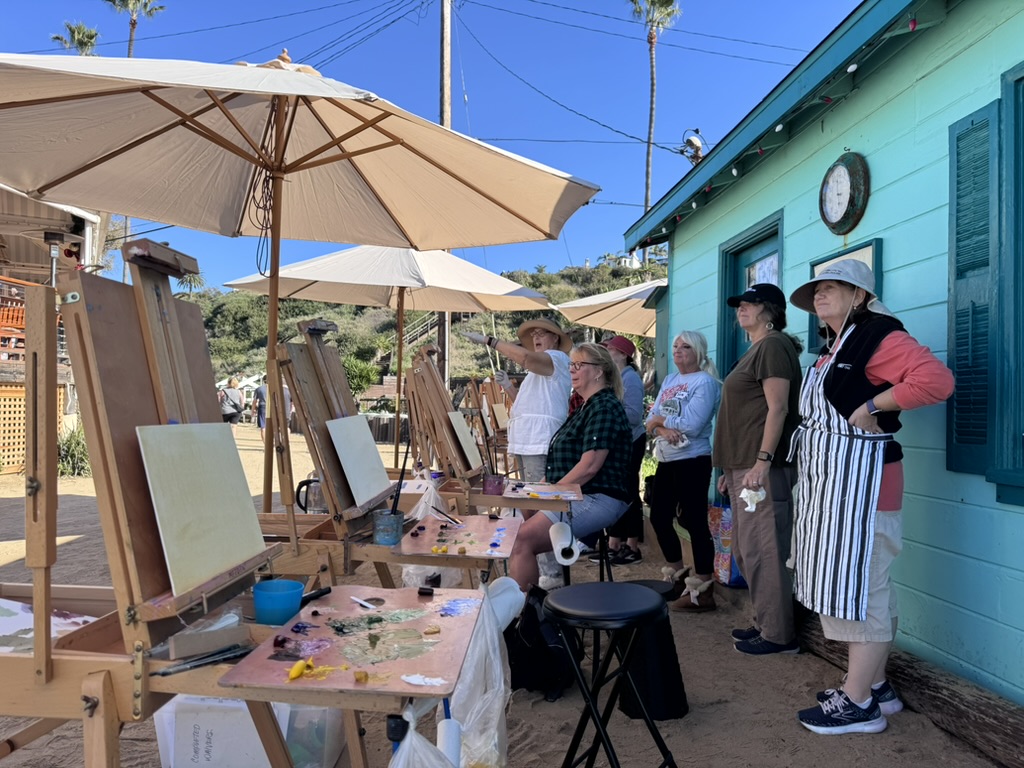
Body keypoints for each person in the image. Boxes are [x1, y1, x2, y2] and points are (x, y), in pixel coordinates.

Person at [787, 260, 953, 735]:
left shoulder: (879, 336)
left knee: (864, 585)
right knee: (863, 581)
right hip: (832, 483)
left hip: (863, 485)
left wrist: (873, 405)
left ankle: (859, 704)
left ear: (859, 296)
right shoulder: (833, 347)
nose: (819, 294)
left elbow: (936, 381)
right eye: (816, 289)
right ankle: (875, 684)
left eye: (832, 288)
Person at [713, 283, 803, 654]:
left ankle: (779, 635)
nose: (742, 309)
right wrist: (729, 469)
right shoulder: (755, 349)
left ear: (770, 310)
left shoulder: (774, 346)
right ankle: (764, 620)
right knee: (747, 550)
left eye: (750, 304)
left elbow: (778, 408)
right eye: (739, 304)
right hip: (741, 468)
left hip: (760, 468)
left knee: (764, 548)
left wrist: (762, 461)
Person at [506, 343, 632, 590]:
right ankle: (526, 605)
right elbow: (565, 465)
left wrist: (547, 494)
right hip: (579, 493)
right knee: (514, 523)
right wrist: (532, 492)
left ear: (598, 371)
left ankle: (527, 617)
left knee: (522, 540)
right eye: (571, 365)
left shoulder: (604, 405)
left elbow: (589, 467)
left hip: (598, 497)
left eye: (579, 365)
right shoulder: (585, 405)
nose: (572, 370)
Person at [644, 331, 722, 610]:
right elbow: (650, 419)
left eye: (685, 347)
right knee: (660, 517)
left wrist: (659, 420)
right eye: (675, 346)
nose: (678, 351)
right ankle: (677, 575)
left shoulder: (706, 381)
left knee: (694, 520)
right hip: (667, 458)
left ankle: (702, 588)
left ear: (698, 352)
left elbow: (692, 424)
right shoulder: (670, 380)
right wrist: (662, 426)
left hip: (693, 459)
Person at [464, 317, 572, 485]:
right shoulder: (538, 371)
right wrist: (508, 386)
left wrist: (489, 341)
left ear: (555, 337)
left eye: (541, 333)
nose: (536, 338)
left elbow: (526, 358)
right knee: (529, 494)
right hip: (529, 438)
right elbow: (524, 405)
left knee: (537, 494)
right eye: (534, 334)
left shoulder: (556, 358)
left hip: (539, 439)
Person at [589, 335, 646, 566]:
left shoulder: (630, 379)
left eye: (610, 349)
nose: (606, 353)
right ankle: (614, 543)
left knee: (630, 493)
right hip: (619, 442)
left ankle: (632, 547)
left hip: (631, 441)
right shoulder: (616, 378)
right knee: (617, 491)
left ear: (624, 354)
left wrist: (610, 408)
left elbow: (633, 415)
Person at [252, 375, 269, 441]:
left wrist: (253, 411)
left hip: (262, 406)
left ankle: (266, 444)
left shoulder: (259, 389)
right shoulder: (275, 388)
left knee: (263, 426)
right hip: (273, 407)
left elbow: (254, 401)